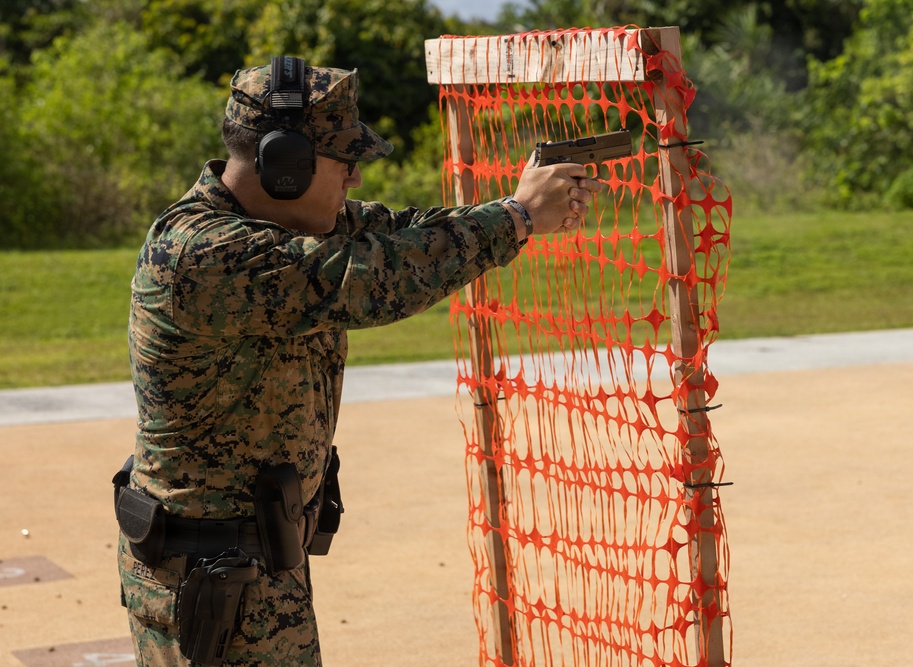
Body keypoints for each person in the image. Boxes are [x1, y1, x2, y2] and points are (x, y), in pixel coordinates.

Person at [114, 56, 601, 666]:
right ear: (285, 165)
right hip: (208, 576)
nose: (354, 178)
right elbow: (372, 277)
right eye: (344, 161)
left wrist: (520, 206)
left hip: (251, 567)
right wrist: (518, 218)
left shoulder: (286, 225)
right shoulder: (199, 253)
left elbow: (406, 232)